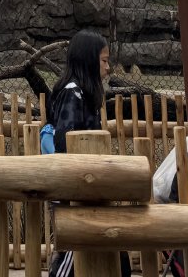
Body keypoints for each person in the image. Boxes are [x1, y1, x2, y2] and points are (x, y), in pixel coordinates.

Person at [46, 30, 130, 277]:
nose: (108, 67)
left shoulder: (84, 95)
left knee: (113, 251)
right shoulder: (72, 93)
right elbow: (66, 141)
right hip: (75, 189)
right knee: (74, 254)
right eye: (104, 61)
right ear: (88, 61)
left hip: (89, 185)